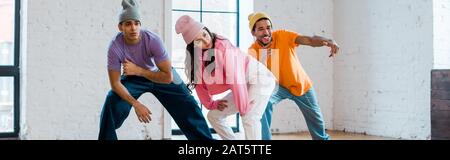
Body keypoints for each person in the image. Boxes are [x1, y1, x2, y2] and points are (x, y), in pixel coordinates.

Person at [98, 0, 213, 140]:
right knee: (112, 101)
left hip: (161, 73)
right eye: (128, 24)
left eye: (136, 23)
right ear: (120, 27)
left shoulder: (153, 40)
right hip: (133, 78)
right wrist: (136, 104)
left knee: (188, 103)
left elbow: (167, 77)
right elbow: (115, 84)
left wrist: (139, 70)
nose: (133, 28)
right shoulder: (115, 46)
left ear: (140, 24)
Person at [175, 15, 276, 140]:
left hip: (259, 78)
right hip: (242, 85)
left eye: (204, 35)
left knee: (249, 117)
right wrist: (211, 104)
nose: (205, 41)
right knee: (214, 116)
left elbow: (236, 77)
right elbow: (199, 85)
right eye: (198, 41)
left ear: (207, 31)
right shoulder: (197, 59)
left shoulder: (223, 46)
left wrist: (243, 107)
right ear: (192, 46)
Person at [248, 12, 340, 140]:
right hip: (278, 88)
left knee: (317, 123)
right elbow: (255, 78)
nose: (266, 32)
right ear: (254, 33)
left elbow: (309, 40)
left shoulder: (282, 35)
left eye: (268, 27)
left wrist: (327, 41)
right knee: (264, 103)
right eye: (261, 29)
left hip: (300, 85)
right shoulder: (253, 51)